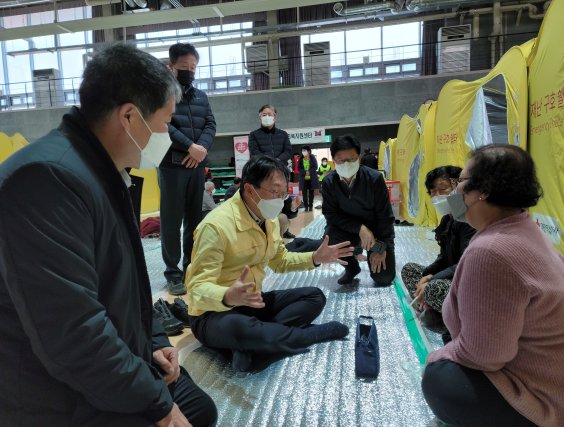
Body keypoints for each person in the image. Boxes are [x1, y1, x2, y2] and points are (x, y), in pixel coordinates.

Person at [0, 44, 216, 427]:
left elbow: (123, 279)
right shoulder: (46, 180)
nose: (169, 134)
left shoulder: (102, 170)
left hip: (114, 359)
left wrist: (154, 343)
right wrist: (161, 409)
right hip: (58, 391)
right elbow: (73, 336)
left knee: (199, 409)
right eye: (166, 123)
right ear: (130, 117)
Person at [422, 144, 564, 427]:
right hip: (558, 371)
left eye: (460, 183)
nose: (454, 192)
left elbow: (485, 355)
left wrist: (437, 358)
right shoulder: (526, 228)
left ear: (483, 191)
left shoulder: (490, 250)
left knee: (439, 379)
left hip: (549, 397)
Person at [186, 155, 353, 372]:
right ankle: (304, 336)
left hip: (252, 302)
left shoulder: (269, 219)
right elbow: (197, 288)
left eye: (283, 193)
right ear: (249, 189)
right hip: (214, 313)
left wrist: (314, 258)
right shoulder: (216, 226)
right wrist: (227, 296)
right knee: (240, 327)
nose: (280, 199)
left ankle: (256, 345)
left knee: (314, 296)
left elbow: (279, 261)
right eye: (274, 192)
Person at [159, 42, 216, 296]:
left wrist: (200, 149)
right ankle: (172, 273)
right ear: (172, 67)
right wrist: (189, 146)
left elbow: (211, 124)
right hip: (172, 165)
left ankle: (190, 268)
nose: (189, 71)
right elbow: (162, 125)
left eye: (193, 67)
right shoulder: (162, 94)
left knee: (195, 220)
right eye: (184, 67)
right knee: (171, 221)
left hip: (196, 165)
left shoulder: (201, 96)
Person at [401, 166, 475, 338]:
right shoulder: (447, 219)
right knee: (410, 270)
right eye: (433, 192)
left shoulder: (470, 220)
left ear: (459, 187)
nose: (436, 196)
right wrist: (426, 275)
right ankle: (431, 307)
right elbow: (443, 257)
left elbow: (466, 265)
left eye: (442, 189)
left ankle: (444, 316)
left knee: (433, 287)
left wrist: (432, 279)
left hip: (465, 282)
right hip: (449, 276)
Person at [322, 135, 396, 286]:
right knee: (329, 237)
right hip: (349, 231)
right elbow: (331, 215)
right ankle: (351, 267)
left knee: (384, 278)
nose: (346, 164)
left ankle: (370, 251)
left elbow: (385, 216)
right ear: (334, 160)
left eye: (352, 159)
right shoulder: (329, 182)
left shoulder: (374, 178)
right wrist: (360, 228)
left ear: (359, 158)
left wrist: (382, 246)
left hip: (376, 235)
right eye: (341, 160)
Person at [298, 145, 319, 211]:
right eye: (302, 151)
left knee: (311, 192)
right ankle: (306, 206)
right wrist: (305, 172)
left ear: (309, 151)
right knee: (304, 193)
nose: (303, 152)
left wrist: (309, 172)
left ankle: (310, 206)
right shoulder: (301, 159)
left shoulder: (312, 158)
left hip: (311, 178)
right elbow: (299, 168)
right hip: (303, 178)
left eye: (305, 151)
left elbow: (315, 166)